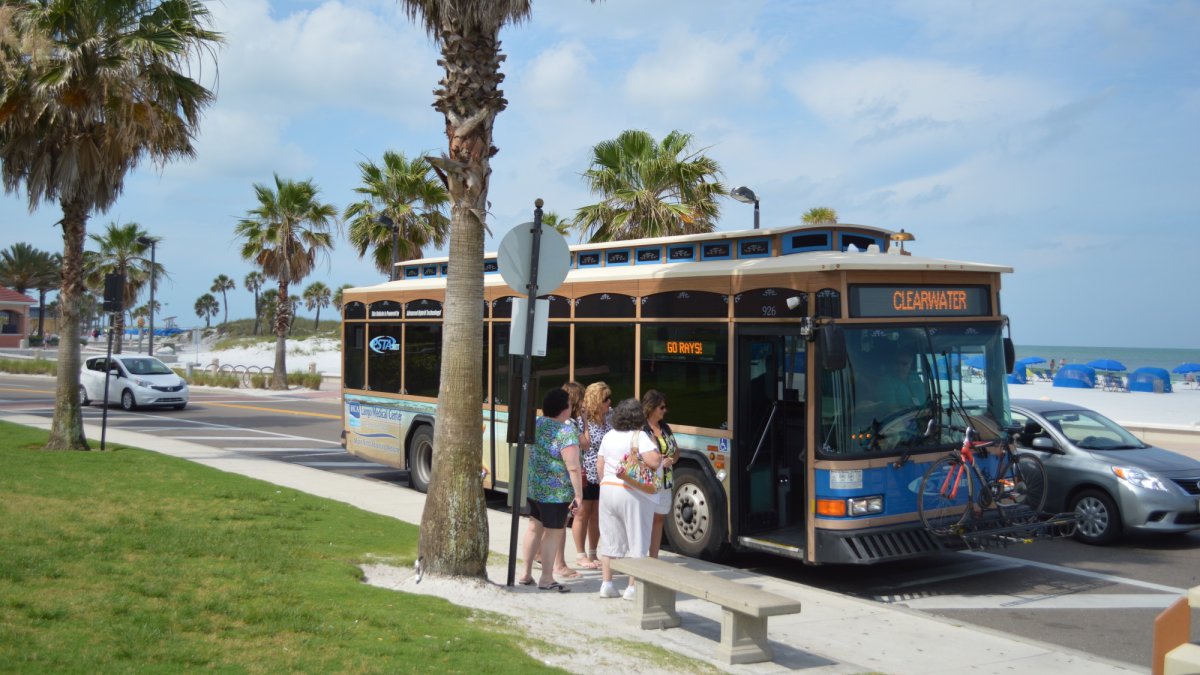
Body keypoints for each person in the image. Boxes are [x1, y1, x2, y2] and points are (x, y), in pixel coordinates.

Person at [518, 388, 584, 592]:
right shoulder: (565, 431)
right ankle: (546, 578)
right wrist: (579, 495)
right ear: (564, 409)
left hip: (535, 488)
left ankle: (526, 573)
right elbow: (573, 466)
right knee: (553, 533)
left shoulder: (537, 424)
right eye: (570, 405)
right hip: (555, 494)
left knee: (533, 528)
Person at [596, 398, 662, 600]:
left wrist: (604, 483)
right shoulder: (639, 436)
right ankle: (632, 588)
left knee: (609, 538)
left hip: (608, 489)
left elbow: (600, 464)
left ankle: (607, 584)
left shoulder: (608, 436)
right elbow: (654, 460)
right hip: (633, 492)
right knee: (638, 539)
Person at [572, 381, 612, 569]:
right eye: (605, 399)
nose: (609, 402)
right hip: (587, 471)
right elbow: (586, 444)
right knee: (583, 513)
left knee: (597, 513)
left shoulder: (610, 417)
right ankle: (580, 554)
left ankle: (593, 552)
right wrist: (587, 422)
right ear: (596, 401)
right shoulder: (581, 420)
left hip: (604, 473)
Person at [641, 389, 678, 559]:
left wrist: (671, 458)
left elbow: (676, 451)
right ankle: (638, 556)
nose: (665, 410)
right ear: (652, 408)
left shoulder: (665, 428)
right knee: (644, 520)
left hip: (665, 482)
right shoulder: (642, 429)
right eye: (662, 407)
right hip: (647, 482)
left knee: (659, 518)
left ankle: (653, 557)